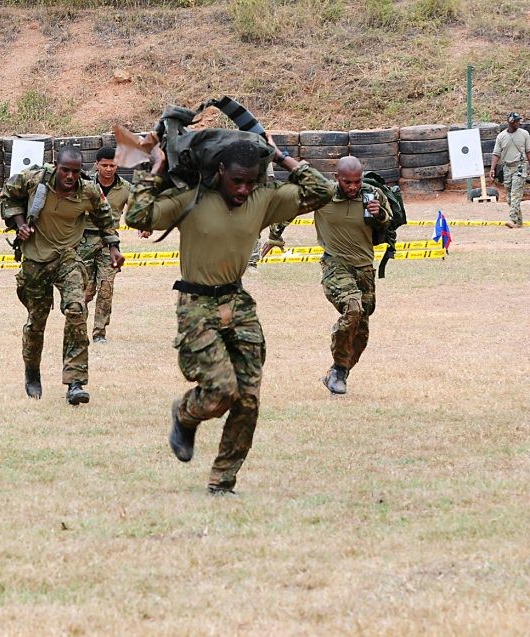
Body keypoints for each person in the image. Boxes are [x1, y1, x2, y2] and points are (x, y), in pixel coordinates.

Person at [125, 137, 334, 495]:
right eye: (237, 180)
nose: (243, 189)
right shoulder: (192, 199)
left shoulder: (263, 200)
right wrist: (156, 170)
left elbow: (323, 190)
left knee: (248, 398)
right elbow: (137, 215)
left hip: (238, 304)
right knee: (221, 390)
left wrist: (281, 156)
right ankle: (186, 414)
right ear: (220, 170)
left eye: (251, 181)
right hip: (196, 305)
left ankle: (222, 480)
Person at [1, 145, 125, 405]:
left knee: (76, 311)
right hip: (35, 260)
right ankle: (32, 371)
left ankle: (75, 382)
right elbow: (7, 197)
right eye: (65, 170)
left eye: (76, 172)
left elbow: (104, 217)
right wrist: (20, 223)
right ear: (55, 165)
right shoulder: (33, 180)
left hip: (68, 257)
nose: (70, 177)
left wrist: (114, 247)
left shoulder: (88, 190)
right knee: (37, 321)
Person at [290, 156, 391, 395]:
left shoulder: (372, 194)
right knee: (352, 308)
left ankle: (338, 373)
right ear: (337, 178)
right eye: (347, 182)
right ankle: (337, 368)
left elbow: (388, 224)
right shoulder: (323, 195)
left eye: (357, 182)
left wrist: (380, 215)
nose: (353, 187)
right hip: (335, 265)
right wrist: (275, 236)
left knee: (361, 332)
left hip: (365, 269)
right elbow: (289, 208)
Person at [78, 146, 132, 343]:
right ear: (97, 165)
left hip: (110, 243)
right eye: (105, 165)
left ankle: (99, 333)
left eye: (113, 165)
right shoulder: (83, 183)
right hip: (84, 239)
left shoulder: (125, 187)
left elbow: (135, 211)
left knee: (106, 288)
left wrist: (145, 226)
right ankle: (79, 330)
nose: (109, 169)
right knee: (85, 290)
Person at [489, 112, 530, 228]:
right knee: (509, 197)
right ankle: (519, 221)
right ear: (510, 121)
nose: (519, 123)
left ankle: (512, 220)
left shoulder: (524, 134)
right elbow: (496, 154)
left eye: (519, 121)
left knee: (515, 194)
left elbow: (528, 152)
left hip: (520, 167)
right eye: (516, 121)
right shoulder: (501, 136)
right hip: (507, 168)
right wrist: (492, 169)